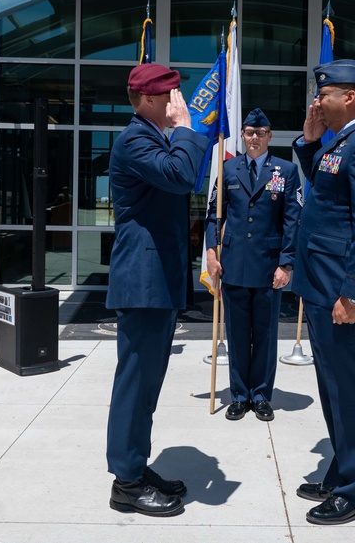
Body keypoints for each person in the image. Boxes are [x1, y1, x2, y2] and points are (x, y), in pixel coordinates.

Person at [290, 59, 355, 526]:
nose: (318, 102)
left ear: (348, 97)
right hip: (321, 285)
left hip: (343, 292)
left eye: (324, 95)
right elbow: (327, 190)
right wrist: (310, 143)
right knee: (332, 388)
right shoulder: (341, 144)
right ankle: (343, 468)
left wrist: (354, 292)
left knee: (350, 391)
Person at [105, 63, 209, 517]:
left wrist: (182, 134)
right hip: (143, 282)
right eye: (172, 95)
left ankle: (135, 465)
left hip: (157, 280)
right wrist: (186, 129)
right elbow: (183, 176)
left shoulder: (154, 138)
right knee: (136, 383)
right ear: (150, 100)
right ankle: (126, 484)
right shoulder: (135, 140)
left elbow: (184, 174)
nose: (179, 103)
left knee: (148, 384)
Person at [204, 108, 301, 422]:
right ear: (242, 136)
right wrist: (211, 252)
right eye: (248, 132)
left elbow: (292, 221)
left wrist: (286, 264)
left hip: (268, 266)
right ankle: (239, 395)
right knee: (236, 333)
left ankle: (260, 395)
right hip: (233, 264)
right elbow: (213, 216)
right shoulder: (228, 169)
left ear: (270, 136)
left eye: (260, 133)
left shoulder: (285, 171)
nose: (254, 138)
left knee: (265, 334)